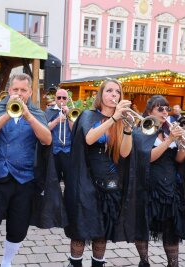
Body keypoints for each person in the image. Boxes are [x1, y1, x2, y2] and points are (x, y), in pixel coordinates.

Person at [0, 73, 66, 267]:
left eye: (23, 90)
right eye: (15, 89)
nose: (19, 94)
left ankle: (6, 263)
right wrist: (9, 113)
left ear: (30, 92)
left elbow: (47, 139)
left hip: (24, 181)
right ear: (9, 90)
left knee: (18, 230)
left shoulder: (36, 112)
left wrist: (28, 116)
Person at [64, 79, 133, 267]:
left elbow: (125, 153)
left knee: (102, 231)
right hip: (85, 182)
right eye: (109, 91)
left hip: (110, 183)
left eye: (117, 92)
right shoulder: (88, 115)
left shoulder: (122, 121)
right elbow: (89, 138)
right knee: (80, 228)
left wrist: (127, 130)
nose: (114, 95)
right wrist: (113, 118)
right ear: (101, 95)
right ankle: (75, 264)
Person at [131, 95, 185, 267]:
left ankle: (173, 264)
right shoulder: (141, 130)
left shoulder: (169, 130)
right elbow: (147, 158)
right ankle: (144, 261)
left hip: (170, 186)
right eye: (160, 109)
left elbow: (179, 160)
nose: (165, 112)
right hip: (148, 185)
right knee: (143, 224)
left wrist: (182, 143)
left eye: (167, 109)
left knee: (171, 226)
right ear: (150, 111)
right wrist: (170, 140)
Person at [45, 89, 73, 184]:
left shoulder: (72, 111)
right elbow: (45, 129)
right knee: (53, 181)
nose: (61, 100)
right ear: (55, 99)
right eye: (59, 97)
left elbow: (75, 130)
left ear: (67, 99)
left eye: (64, 98)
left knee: (69, 181)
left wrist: (69, 114)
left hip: (68, 151)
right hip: (54, 151)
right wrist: (57, 120)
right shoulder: (49, 111)